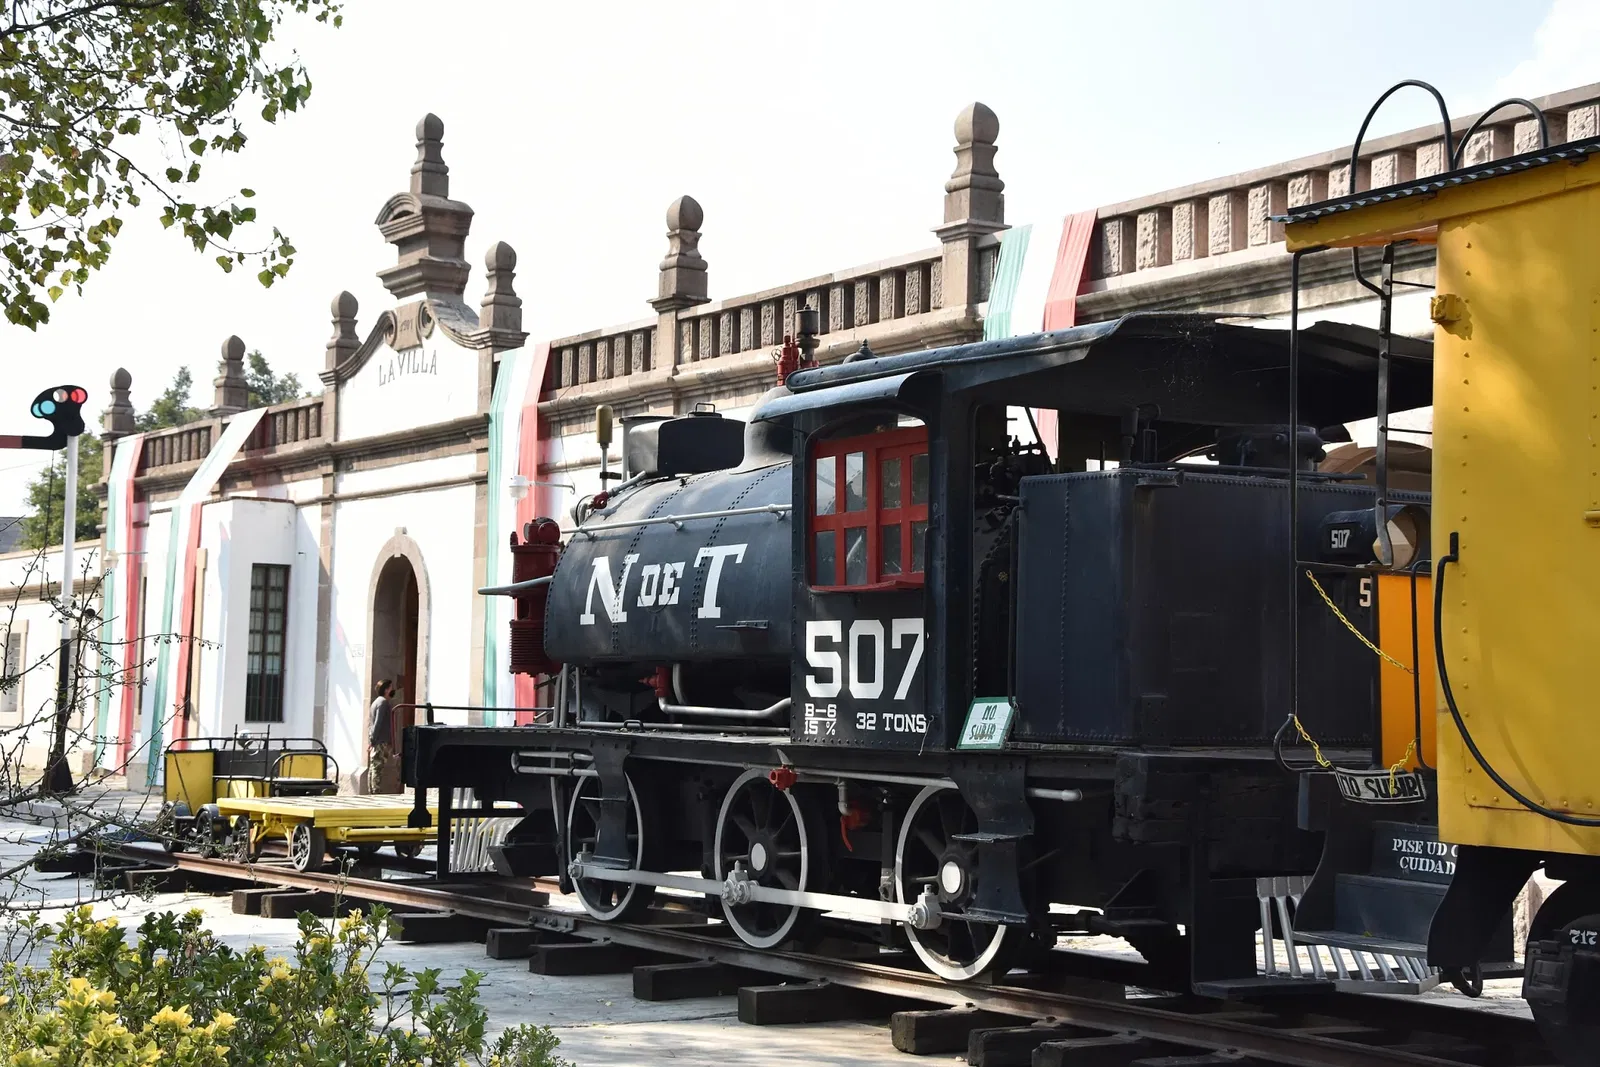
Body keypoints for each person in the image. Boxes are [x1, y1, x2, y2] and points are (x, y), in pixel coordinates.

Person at [369, 679, 396, 793]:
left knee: (374, 766)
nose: (392, 690)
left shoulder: (376, 702)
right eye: (390, 688)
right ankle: (375, 791)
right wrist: (373, 740)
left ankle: (372, 790)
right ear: (386, 690)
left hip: (378, 740)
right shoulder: (383, 702)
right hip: (381, 741)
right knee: (377, 767)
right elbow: (378, 723)